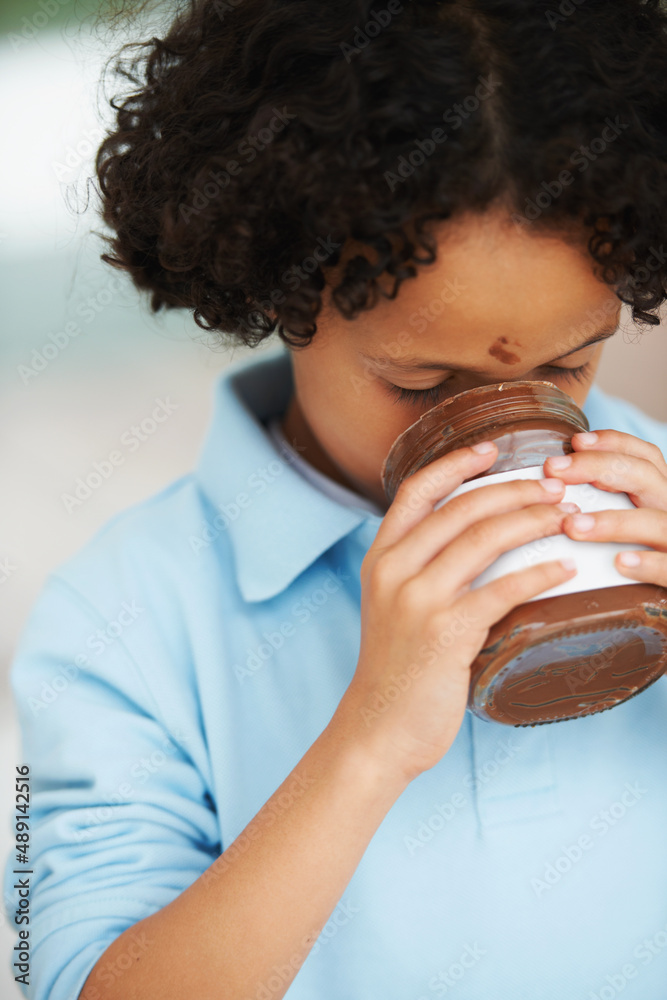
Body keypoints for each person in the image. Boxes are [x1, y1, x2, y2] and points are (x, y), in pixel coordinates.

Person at [5, 1, 667, 998]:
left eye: (564, 368)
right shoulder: (124, 622)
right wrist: (371, 741)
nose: (494, 431)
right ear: (278, 286)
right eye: (421, 385)